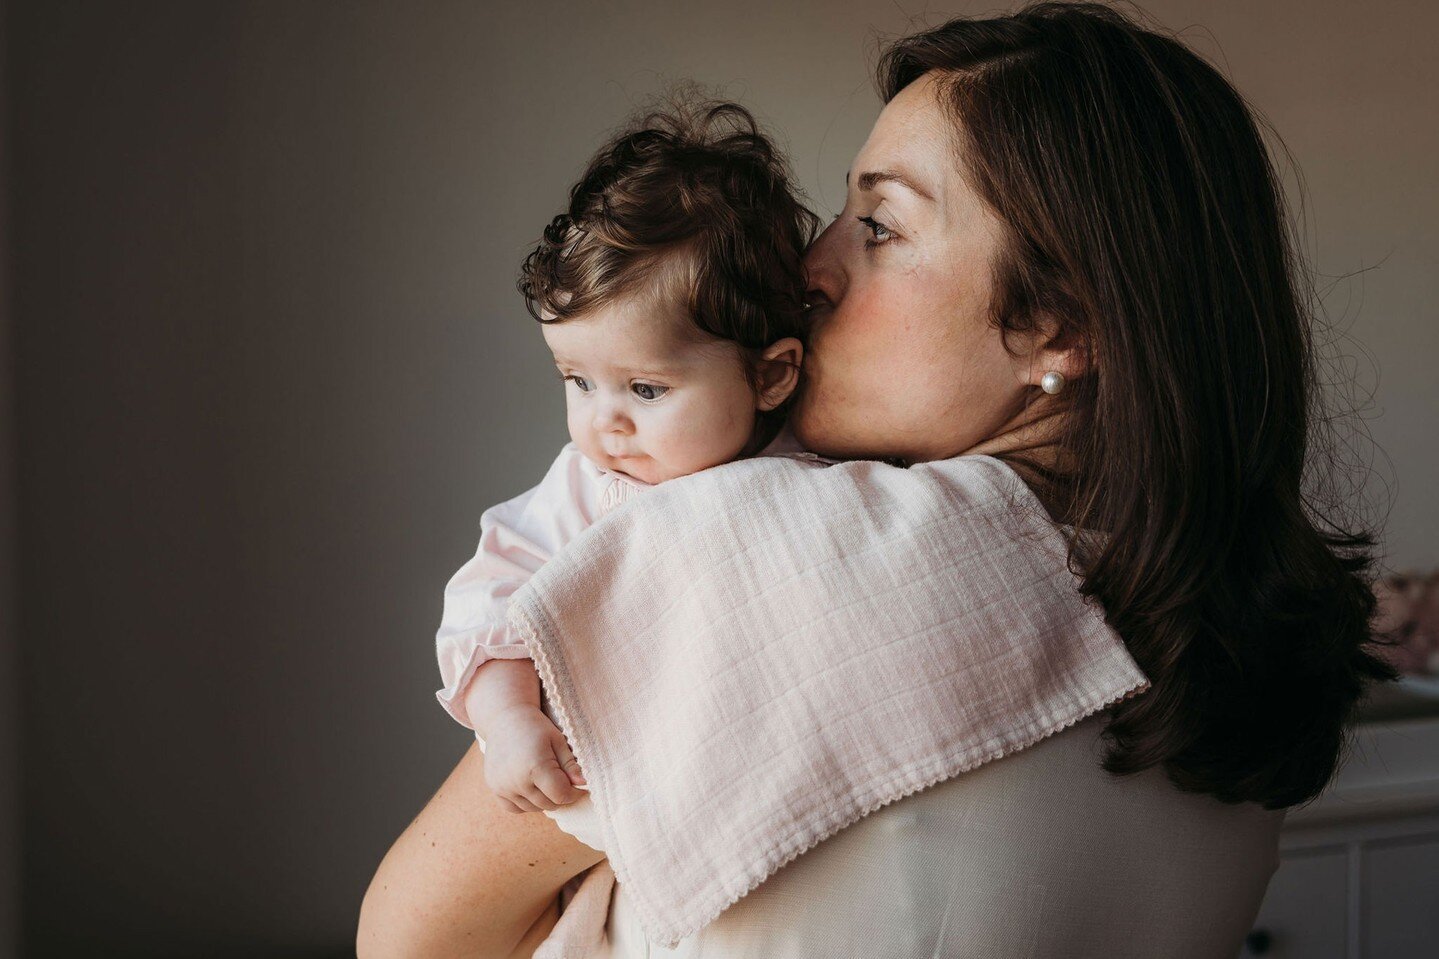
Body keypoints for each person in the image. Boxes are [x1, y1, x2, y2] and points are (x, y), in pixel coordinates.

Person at [357, 3, 1399, 956]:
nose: (811, 266)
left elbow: (410, 934)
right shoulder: (1236, 632)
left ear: (1057, 322)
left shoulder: (758, 551)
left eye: (881, 225)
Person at [431, 97, 824, 820]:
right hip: (591, 776)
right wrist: (510, 719)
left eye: (645, 388)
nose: (602, 422)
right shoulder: (588, 487)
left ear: (770, 375)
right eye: (577, 381)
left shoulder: (820, 471)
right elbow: (489, 600)